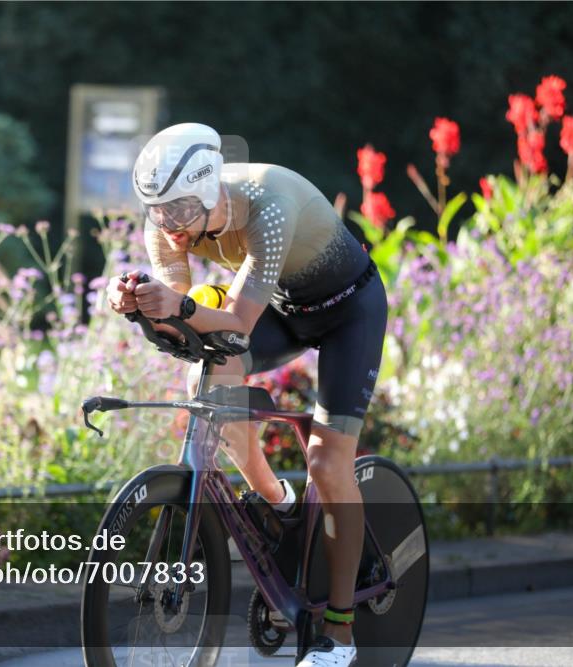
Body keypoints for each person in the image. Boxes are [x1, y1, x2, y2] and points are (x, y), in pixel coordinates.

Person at [106, 123, 388, 667]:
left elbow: (232, 319)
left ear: (210, 189)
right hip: (284, 308)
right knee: (209, 377)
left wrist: (180, 307)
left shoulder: (268, 200)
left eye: (182, 209)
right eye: (158, 211)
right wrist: (143, 306)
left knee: (329, 465)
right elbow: (191, 331)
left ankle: (341, 634)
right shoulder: (165, 222)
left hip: (349, 311)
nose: (170, 225)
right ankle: (275, 499)